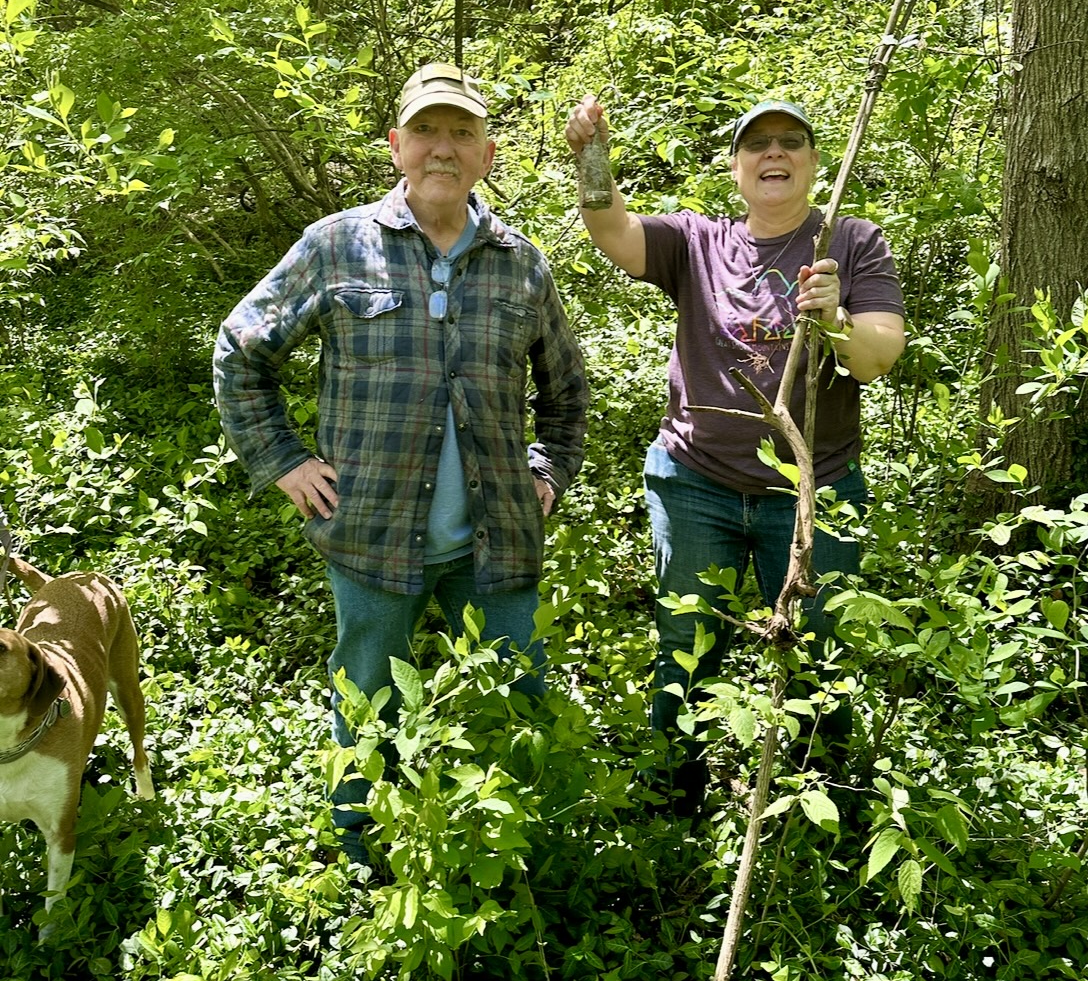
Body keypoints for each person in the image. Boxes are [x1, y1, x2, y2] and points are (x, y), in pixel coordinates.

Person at [215, 63, 587, 861]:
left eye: (460, 134)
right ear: (395, 146)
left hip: (494, 543)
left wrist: (548, 471)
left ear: (487, 155)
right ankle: (360, 845)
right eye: (425, 131)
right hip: (369, 536)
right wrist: (282, 460)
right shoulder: (336, 244)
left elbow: (566, 390)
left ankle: (510, 852)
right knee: (367, 700)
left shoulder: (521, 263)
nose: (441, 149)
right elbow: (241, 351)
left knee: (513, 698)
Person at [565, 93, 905, 810]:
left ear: (813, 163)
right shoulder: (698, 241)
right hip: (696, 484)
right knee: (688, 642)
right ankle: (673, 789)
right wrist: (590, 156)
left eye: (790, 142)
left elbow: (877, 358)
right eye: (757, 144)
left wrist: (837, 320)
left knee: (820, 650)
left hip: (814, 490)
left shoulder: (850, 241)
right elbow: (613, 231)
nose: (773, 153)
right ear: (734, 167)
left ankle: (827, 798)